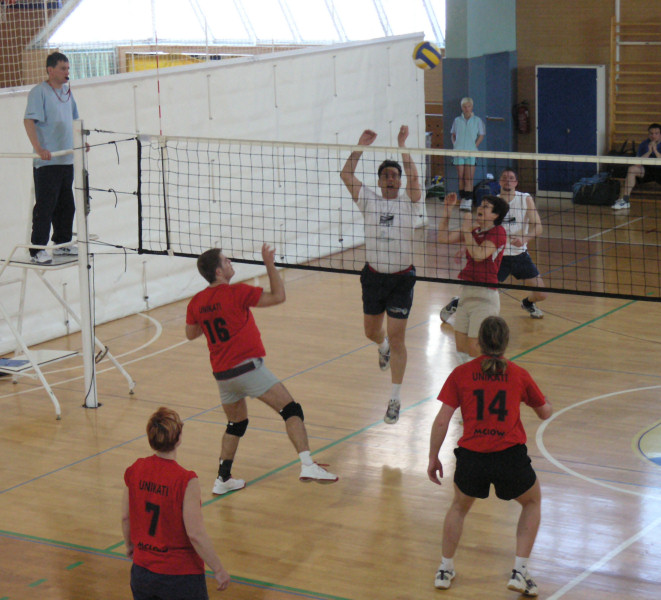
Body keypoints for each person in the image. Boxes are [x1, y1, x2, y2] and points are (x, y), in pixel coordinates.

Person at [186, 243, 338, 495]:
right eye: (226, 261)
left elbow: (191, 334)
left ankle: (223, 479)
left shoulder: (196, 302)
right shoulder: (237, 292)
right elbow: (279, 296)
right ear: (218, 272)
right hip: (247, 369)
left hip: (223, 376)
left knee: (236, 424)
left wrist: (211, 316)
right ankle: (308, 465)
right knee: (291, 410)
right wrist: (269, 263)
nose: (230, 263)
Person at [427, 316, 553, 595]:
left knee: (459, 507)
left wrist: (433, 457)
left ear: (478, 343)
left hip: (472, 457)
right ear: (506, 343)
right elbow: (545, 413)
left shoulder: (461, 374)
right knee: (532, 502)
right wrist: (547, 403)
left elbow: (442, 421)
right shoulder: (519, 374)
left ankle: (445, 569)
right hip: (510, 457)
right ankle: (520, 571)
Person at [339, 125, 422, 425]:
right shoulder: (369, 200)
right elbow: (346, 175)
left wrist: (402, 145)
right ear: (379, 180)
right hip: (373, 277)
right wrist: (360, 145)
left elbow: (414, 177)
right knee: (372, 332)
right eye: (386, 175)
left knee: (399, 339)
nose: (390, 178)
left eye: (394, 175)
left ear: (399, 180)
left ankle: (395, 399)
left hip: (401, 280)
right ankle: (381, 345)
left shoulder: (410, 201)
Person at [122, 407, 231, 599]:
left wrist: (130, 545)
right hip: (180, 577)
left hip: (142, 572)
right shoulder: (185, 480)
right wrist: (218, 569)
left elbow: (125, 517)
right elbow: (195, 534)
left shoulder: (135, 470)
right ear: (178, 438)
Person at [440, 168, 547, 321]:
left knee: (541, 294)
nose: (508, 180)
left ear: (516, 183)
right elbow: (479, 229)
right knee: (480, 293)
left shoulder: (525, 199)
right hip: (497, 256)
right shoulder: (492, 204)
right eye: (504, 177)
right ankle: (457, 302)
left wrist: (525, 238)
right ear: (500, 182)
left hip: (520, 255)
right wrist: (466, 245)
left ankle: (528, 303)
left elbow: (538, 227)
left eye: (511, 178)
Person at [437, 193, 509, 362]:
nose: (480, 208)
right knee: (461, 349)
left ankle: (482, 378)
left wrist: (467, 232)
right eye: (481, 205)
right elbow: (442, 238)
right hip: (466, 294)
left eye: (486, 207)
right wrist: (447, 211)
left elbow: (478, 254)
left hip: (485, 297)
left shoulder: (498, 232)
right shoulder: (474, 230)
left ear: (495, 215)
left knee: (475, 350)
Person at [24, 52, 80, 264]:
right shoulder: (39, 92)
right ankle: (37, 249)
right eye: (63, 68)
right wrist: (39, 148)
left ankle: (62, 243)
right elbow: (28, 121)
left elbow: (74, 120)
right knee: (45, 206)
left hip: (66, 160)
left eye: (68, 68)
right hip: (48, 162)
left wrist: (81, 141)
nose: (67, 72)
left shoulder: (67, 92)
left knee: (67, 205)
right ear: (51, 70)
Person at [612, 123, 661, 210]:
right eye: (651, 133)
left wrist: (656, 151)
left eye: (656, 133)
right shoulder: (644, 144)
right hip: (648, 171)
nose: (653, 136)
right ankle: (625, 201)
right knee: (632, 169)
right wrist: (649, 152)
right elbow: (637, 163)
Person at [451, 97, 485, 212]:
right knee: (460, 176)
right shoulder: (457, 120)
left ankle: (468, 200)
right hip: (458, 152)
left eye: (469, 106)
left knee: (468, 177)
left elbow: (481, 134)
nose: (466, 108)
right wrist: (455, 145)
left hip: (471, 153)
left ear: (472, 107)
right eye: (464, 106)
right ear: (462, 107)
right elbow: (453, 134)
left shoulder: (477, 120)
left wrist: (475, 145)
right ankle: (463, 198)